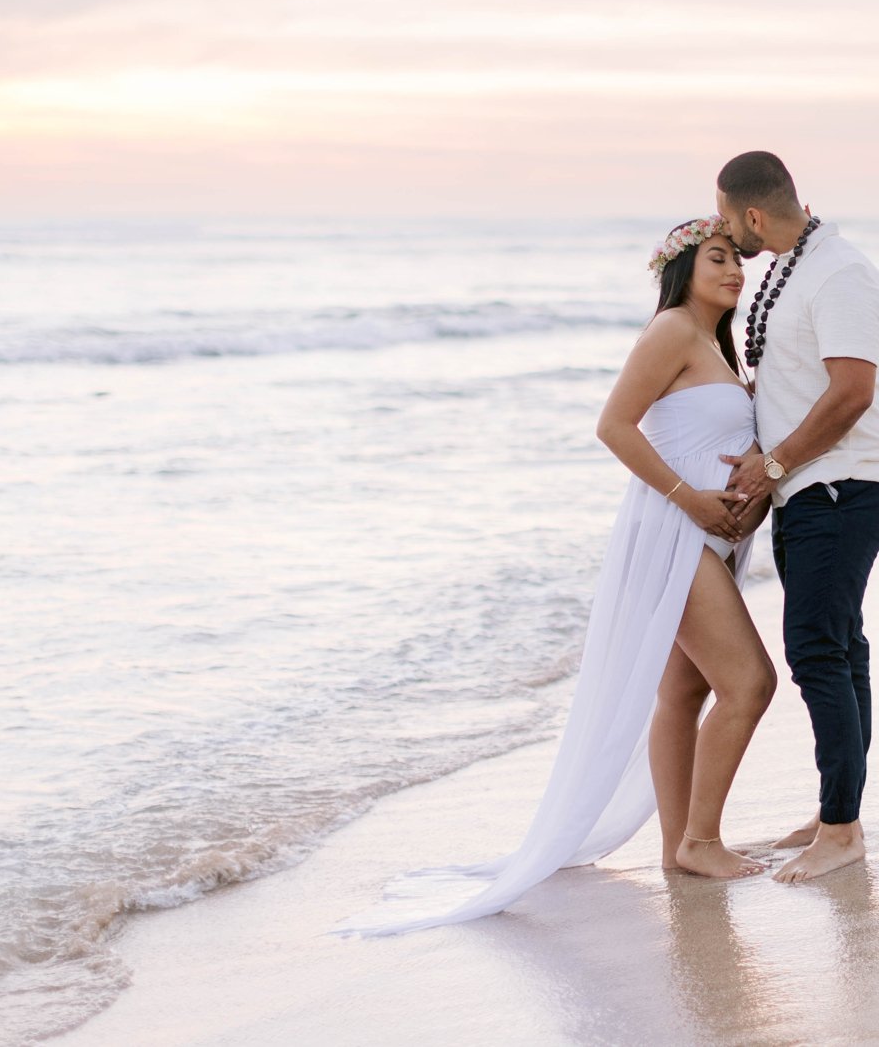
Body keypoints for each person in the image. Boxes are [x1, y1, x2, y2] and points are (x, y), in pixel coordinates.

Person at [328, 217, 777, 938]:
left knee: (685, 689)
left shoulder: (713, 347)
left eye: (737, 261)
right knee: (749, 683)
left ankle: (676, 848)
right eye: (717, 259)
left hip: (708, 539)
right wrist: (687, 498)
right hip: (671, 530)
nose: (733, 271)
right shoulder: (670, 330)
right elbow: (615, 426)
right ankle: (700, 841)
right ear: (681, 269)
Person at [715, 152, 879, 885]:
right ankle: (836, 810)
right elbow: (791, 385)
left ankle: (843, 830)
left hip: (843, 486)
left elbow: (852, 392)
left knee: (817, 651)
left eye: (732, 221)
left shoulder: (841, 273)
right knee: (838, 648)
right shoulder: (795, 269)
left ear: (754, 215)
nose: (730, 236)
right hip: (809, 488)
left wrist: (774, 463)